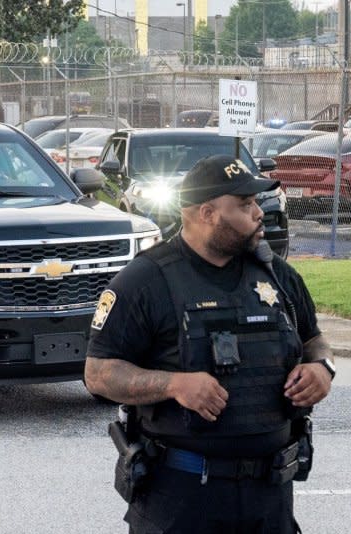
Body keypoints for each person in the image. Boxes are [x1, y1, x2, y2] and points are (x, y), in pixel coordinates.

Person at [84, 154, 334, 534]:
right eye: (245, 205)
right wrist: (174, 385)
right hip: (182, 496)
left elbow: (314, 339)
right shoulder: (146, 281)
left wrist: (322, 368)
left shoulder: (277, 274)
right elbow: (99, 375)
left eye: (256, 203)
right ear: (206, 213)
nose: (258, 213)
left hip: (269, 496)